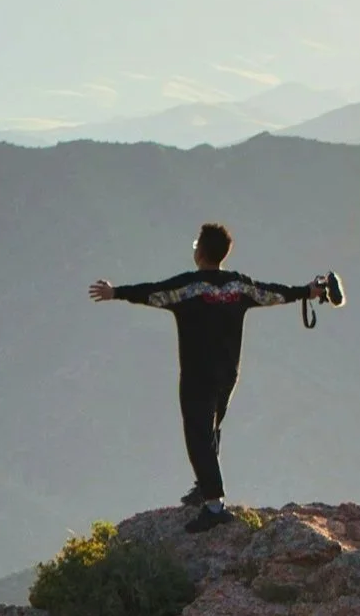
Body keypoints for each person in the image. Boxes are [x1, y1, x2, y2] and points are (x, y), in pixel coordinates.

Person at [88, 222, 328, 533]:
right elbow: (273, 293)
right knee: (212, 427)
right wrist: (307, 291)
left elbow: (153, 292)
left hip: (197, 373)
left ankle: (214, 504)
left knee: (198, 434)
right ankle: (205, 486)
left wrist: (115, 292)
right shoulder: (238, 287)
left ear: (200, 252)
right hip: (228, 372)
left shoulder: (188, 289)